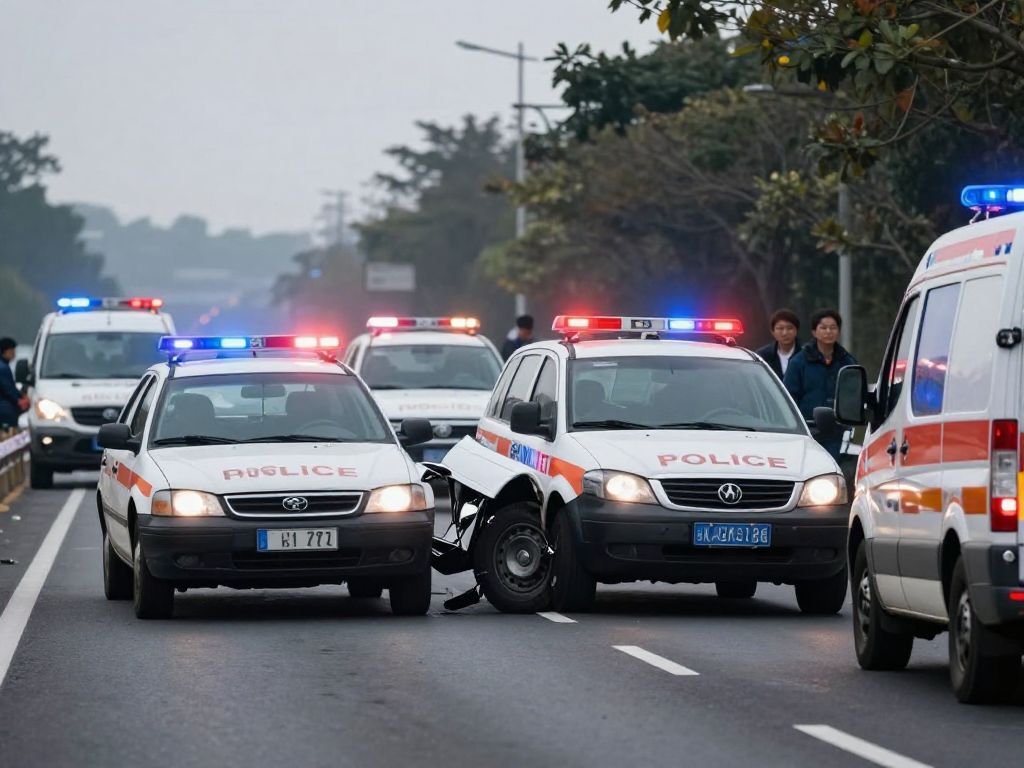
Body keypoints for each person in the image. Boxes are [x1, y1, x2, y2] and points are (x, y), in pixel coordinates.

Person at [783, 309, 856, 460]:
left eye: (833, 327)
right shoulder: (798, 362)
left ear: (839, 331)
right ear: (814, 332)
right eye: (823, 327)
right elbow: (789, 398)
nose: (828, 331)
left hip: (839, 432)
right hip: (808, 430)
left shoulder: (848, 362)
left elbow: (853, 396)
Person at [755, 308, 801, 379]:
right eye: (780, 328)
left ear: (796, 330)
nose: (785, 333)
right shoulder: (762, 356)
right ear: (772, 331)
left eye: (789, 328)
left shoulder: (805, 355)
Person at [0, 338, 29, 429]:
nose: (14, 354)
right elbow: (8, 388)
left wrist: (21, 395)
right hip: (4, 406)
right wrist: (19, 400)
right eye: (11, 351)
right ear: (4, 352)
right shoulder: (2, 368)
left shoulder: (4, 365)